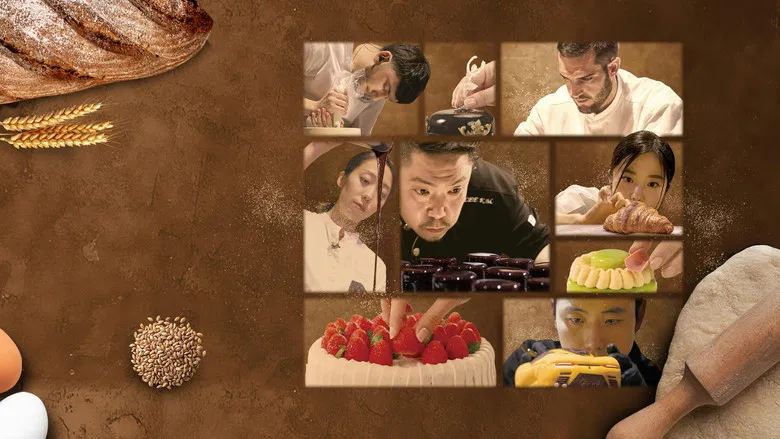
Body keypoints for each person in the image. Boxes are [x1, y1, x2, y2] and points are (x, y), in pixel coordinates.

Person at [399, 141, 550, 264]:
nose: (439, 214)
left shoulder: (494, 189)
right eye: (423, 191)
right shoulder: (377, 191)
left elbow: (540, 246)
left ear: (471, 169)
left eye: (455, 190)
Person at [513, 42, 682, 136]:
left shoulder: (660, 107)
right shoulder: (546, 112)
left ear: (613, 68)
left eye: (585, 79)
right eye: (566, 79)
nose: (573, 93)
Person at [504, 297, 661, 387]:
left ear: (638, 317)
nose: (592, 344)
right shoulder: (526, 357)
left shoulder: (655, 382)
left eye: (611, 321)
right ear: (554, 312)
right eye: (576, 319)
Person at [303, 145, 395, 293]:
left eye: (381, 193)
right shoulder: (302, 223)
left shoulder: (375, 266)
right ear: (342, 179)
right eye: (365, 180)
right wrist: (318, 145)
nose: (369, 196)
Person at [303, 42, 430, 136]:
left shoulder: (374, 94)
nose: (377, 96)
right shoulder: (323, 47)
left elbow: (358, 137)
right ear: (383, 57)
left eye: (386, 96)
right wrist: (314, 106)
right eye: (385, 86)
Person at [556, 130, 676, 225]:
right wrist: (584, 221)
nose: (636, 196)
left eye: (652, 184)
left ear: (666, 190)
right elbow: (542, 227)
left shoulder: (658, 228)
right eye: (628, 179)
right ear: (610, 178)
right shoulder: (579, 198)